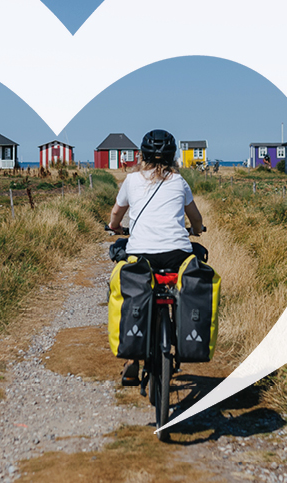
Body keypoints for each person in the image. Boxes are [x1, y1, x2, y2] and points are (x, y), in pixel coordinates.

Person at [107, 129, 204, 386]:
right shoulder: (179, 182)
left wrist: (115, 227)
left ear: (142, 154)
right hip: (177, 255)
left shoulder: (131, 180)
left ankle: (132, 359)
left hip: (142, 255)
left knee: (133, 289)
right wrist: (196, 230)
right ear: (172, 156)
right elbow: (196, 219)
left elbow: (117, 214)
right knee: (180, 290)